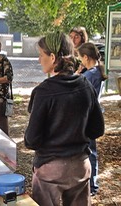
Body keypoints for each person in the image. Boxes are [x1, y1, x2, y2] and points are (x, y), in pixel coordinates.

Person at [24, 32, 104, 205]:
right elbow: (97, 129)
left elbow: (31, 140)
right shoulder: (85, 84)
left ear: (52, 57)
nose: (39, 60)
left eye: (41, 55)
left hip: (51, 169)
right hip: (80, 166)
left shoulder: (43, 92)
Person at [77, 42, 108, 196]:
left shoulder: (89, 75)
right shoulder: (96, 72)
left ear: (86, 57)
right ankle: (92, 184)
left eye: (80, 58)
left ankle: (91, 185)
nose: (80, 61)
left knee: (89, 152)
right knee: (91, 151)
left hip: (87, 117)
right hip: (93, 116)